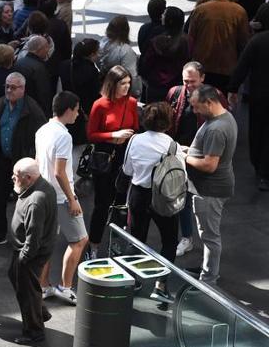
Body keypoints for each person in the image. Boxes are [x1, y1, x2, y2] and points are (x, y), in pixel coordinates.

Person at [121, 102, 183, 302]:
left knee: (136, 239)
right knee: (169, 240)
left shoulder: (134, 140)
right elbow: (179, 174)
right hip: (162, 198)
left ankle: (133, 279)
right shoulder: (172, 145)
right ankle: (161, 285)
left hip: (138, 195)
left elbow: (127, 170)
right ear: (167, 121)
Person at [165, 62, 223, 256]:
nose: (188, 85)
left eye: (193, 81)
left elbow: (222, 126)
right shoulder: (175, 93)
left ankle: (209, 245)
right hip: (181, 155)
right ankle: (187, 237)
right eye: (185, 81)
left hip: (203, 157)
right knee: (183, 199)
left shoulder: (214, 97)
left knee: (205, 204)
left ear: (203, 78)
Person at [35, 92, 88, 305]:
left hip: (44, 194)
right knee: (79, 240)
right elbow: (60, 172)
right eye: (76, 110)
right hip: (60, 197)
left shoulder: (42, 130)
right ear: (68, 110)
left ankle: (42, 286)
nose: (77, 114)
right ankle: (65, 287)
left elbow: (39, 162)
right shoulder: (64, 136)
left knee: (48, 243)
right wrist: (72, 199)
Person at [0, 72, 47, 248]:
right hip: (5, 160)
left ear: (23, 89)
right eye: (7, 86)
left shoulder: (32, 110)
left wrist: (34, 162)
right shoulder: (1, 103)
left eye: (14, 87)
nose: (9, 90)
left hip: (24, 163)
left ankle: (28, 240)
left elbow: (42, 136)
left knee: (26, 202)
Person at [184, 85, 237, 284]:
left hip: (210, 190)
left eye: (197, 107)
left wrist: (186, 157)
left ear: (209, 103)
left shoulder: (216, 129)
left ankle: (208, 280)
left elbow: (209, 165)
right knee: (208, 233)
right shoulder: (225, 118)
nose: (194, 111)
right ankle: (207, 269)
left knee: (210, 236)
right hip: (214, 187)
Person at [86, 65, 139, 257]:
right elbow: (91, 135)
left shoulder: (131, 103)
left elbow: (136, 129)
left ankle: (114, 245)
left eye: (128, 83)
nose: (126, 87)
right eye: (122, 83)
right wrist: (112, 135)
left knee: (121, 204)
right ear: (112, 84)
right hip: (105, 158)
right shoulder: (100, 105)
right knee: (102, 204)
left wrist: (127, 137)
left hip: (124, 157)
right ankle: (93, 245)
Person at [8, 157, 57, 344]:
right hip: (26, 250)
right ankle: (40, 313)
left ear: (28, 177)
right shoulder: (41, 186)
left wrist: (23, 258)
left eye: (16, 176)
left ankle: (34, 331)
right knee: (16, 277)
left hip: (29, 254)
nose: (13, 178)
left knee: (27, 292)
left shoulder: (36, 200)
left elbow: (33, 238)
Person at [230, 2, 269, 190]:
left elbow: (242, 66)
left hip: (259, 94)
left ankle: (257, 164)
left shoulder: (258, 41)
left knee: (257, 129)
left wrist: (232, 88)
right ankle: (265, 170)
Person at [187, 0, 250, 90]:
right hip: (227, 68)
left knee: (200, 102)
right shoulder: (239, 12)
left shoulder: (200, 10)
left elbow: (191, 39)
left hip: (202, 66)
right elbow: (244, 43)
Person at [139, 6, 189, 103]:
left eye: (164, 14)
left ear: (169, 20)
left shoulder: (156, 41)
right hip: (177, 85)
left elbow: (148, 62)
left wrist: (145, 77)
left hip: (156, 85)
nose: (161, 16)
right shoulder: (187, 41)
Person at [67, 38, 102, 145]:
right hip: (86, 108)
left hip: (70, 105)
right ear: (91, 55)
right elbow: (95, 93)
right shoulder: (91, 72)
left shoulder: (67, 65)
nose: (99, 55)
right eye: (97, 52)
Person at [97, 16, 140, 98]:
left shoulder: (102, 43)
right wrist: (136, 92)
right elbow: (130, 75)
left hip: (105, 87)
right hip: (119, 93)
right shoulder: (126, 51)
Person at [13, 35, 53, 116]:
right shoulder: (39, 68)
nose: (48, 50)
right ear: (39, 49)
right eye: (46, 47)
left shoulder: (19, 62)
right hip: (34, 111)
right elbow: (43, 95)